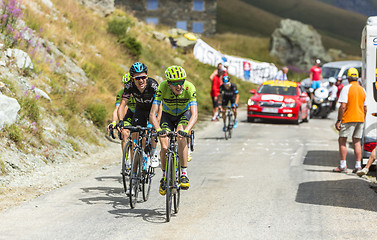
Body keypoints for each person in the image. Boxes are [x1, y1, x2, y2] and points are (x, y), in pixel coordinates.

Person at [149, 65, 198, 195]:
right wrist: (158, 129)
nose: (179, 86)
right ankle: (164, 177)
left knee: (181, 137)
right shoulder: (162, 87)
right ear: (169, 83)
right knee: (164, 148)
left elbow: (194, 114)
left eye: (181, 82)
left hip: (183, 115)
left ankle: (183, 173)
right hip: (167, 116)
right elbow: (152, 114)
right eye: (175, 83)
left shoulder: (189, 87)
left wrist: (187, 130)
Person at [118, 62, 159, 194]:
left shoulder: (153, 85)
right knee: (136, 143)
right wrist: (120, 121)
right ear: (132, 79)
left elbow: (161, 106)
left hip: (154, 110)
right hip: (140, 111)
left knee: (150, 132)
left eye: (143, 77)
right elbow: (122, 105)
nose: (141, 80)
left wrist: (156, 123)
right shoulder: (129, 86)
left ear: (147, 76)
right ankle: (134, 179)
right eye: (137, 78)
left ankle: (153, 152)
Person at [333, 68, 367, 173]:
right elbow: (365, 108)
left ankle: (343, 165)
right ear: (357, 78)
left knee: (342, 140)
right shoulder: (362, 89)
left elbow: (343, 106)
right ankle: (358, 166)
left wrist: (339, 120)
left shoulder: (346, 88)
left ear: (348, 78)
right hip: (360, 118)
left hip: (348, 118)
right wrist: (362, 117)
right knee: (357, 141)